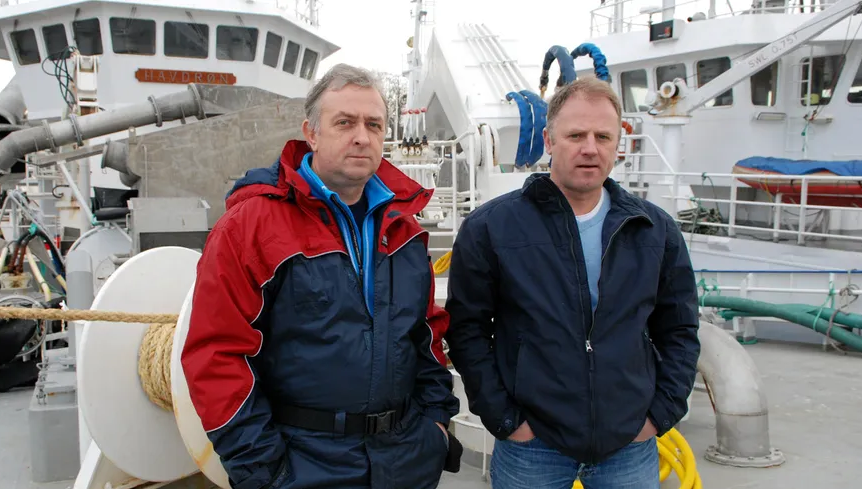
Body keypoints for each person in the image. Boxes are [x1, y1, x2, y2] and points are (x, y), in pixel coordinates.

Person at [181, 63, 462, 489]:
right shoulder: (251, 226)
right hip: (301, 463)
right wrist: (264, 472)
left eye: (374, 124)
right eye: (344, 122)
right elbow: (216, 354)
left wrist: (435, 427)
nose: (361, 137)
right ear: (311, 133)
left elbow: (425, 336)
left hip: (403, 460)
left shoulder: (404, 230)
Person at [444, 76, 700, 488]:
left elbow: (680, 329)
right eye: (576, 134)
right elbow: (467, 330)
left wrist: (658, 415)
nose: (590, 148)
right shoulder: (491, 228)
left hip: (629, 446)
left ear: (619, 144)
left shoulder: (655, 230)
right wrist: (505, 419)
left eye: (603, 136)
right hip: (532, 447)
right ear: (549, 139)